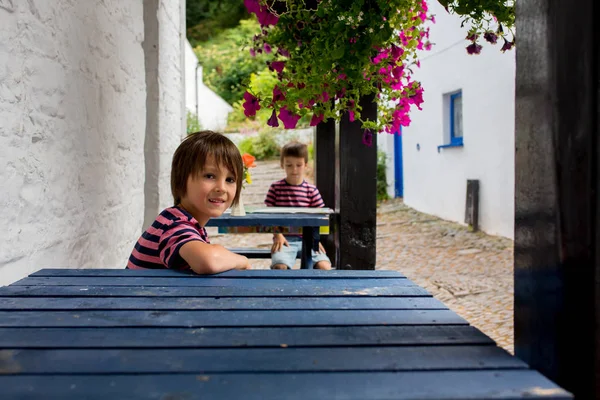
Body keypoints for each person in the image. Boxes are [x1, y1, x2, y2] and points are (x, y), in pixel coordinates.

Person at [127, 130, 251, 274]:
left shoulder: (184, 221)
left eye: (230, 180)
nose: (221, 188)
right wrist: (242, 260)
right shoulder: (174, 225)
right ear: (182, 179)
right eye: (209, 176)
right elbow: (208, 260)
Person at [264, 141, 332, 270]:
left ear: (305, 165)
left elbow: (321, 218)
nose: (294, 170)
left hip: (309, 239)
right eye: (289, 165)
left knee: (325, 267)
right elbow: (269, 216)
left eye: (299, 165)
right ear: (282, 165)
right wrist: (278, 235)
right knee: (280, 267)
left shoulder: (311, 190)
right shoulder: (275, 188)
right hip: (284, 239)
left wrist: (316, 239)